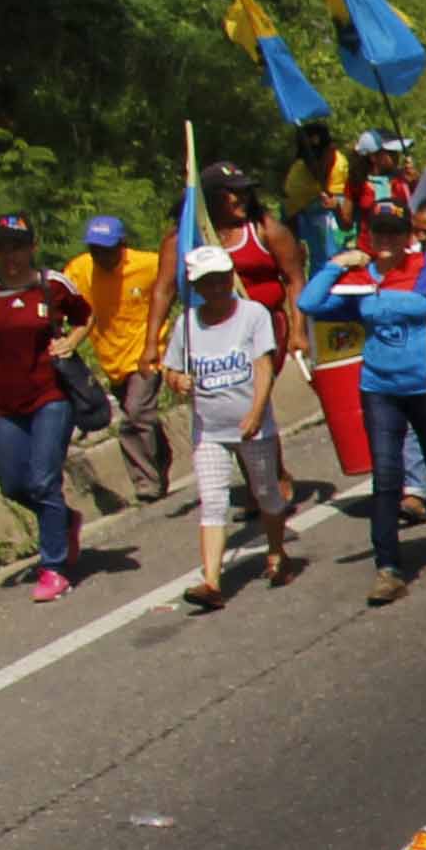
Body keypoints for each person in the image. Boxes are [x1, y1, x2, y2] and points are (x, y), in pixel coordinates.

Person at [0, 210, 94, 601]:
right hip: (5, 404)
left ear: (32, 247)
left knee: (43, 479)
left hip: (51, 396)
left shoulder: (53, 285)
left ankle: (54, 567)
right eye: (1, 248)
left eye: (17, 247)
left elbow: (85, 315)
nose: (10, 256)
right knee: (13, 484)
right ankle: (63, 519)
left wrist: (71, 342)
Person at [306, 189, 426, 605]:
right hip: (379, 388)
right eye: (379, 232)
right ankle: (388, 567)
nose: (387, 240)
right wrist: (337, 264)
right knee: (386, 477)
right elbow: (308, 302)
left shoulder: (424, 266)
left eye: (395, 232)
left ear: (407, 235)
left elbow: (424, 300)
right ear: (369, 235)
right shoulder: (357, 278)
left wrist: (374, 294)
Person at [166, 244, 298, 608]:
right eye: (206, 283)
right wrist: (176, 380)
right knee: (212, 502)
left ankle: (276, 551)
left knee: (267, 494)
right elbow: (171, 368)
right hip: (209, 431)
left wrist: (256, 413)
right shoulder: (187, 324)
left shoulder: (253, 314)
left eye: (220, 280)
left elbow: (263, 366)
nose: (215, 288)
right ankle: (211, 581)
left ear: (230, 278)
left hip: (252, 427)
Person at [68, 207, 178, 504]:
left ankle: (146, 484)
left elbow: (173, 284)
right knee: (142, 417)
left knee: (134, 415)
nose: (100, 257)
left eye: (106, 250)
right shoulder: (79, 271)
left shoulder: (148, 265)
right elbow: (65, 303)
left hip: (147, 352)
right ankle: (161, 458)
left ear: (122, 245)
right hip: (112, 360)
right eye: (94, 250)